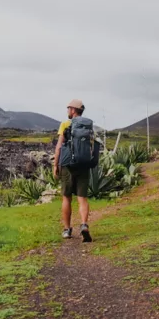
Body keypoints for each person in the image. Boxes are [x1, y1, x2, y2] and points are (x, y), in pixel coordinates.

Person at [53, 99, 93, 242]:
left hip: (68, 164)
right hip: (83, 164)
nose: (67, 111)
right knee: (82, 198)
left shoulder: (65, 124)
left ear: (73, 110)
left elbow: (59, 147)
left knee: (66, 197)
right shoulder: (88, 125)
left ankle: (67, 230)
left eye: (68, 108)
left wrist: (55, 165)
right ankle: (84, 225)